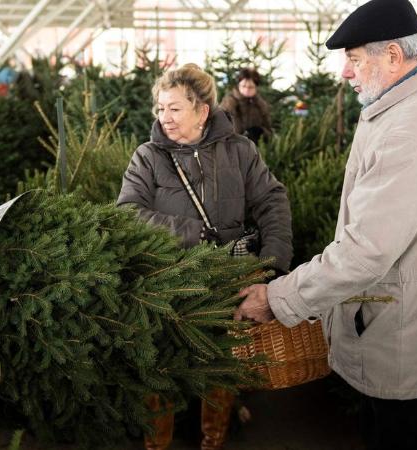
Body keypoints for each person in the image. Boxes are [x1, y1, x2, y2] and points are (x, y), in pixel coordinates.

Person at [234, 0, 417, 449]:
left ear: (394, 57)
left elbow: (365, 251)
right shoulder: (399, 107)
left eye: (355, 58)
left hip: (402, 331)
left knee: (395, 434)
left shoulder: (409, 132)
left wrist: (277, 297)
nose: (346, 72)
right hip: (395, 318)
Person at [117, 63, 292, 450]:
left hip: (224, 282)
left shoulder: (239, 152)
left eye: (175, 108)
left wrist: (274, 265)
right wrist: (191, 233)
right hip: (165, 286)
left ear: (203, 110)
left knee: (220, 364)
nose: (165, 118)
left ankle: (213, 441)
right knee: (158, 366)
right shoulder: (147, 157)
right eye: (160, 109)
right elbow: (127, 213)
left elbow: (272, 201)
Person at [219, 68, 273, 144]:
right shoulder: (229, 102)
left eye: (250, 87)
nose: (247, 90)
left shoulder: (260, 104)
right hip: (232, 148)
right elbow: (218, 128)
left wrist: (261, 133)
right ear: (238, 85)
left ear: (256, 87)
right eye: (243, 86)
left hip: (255, 149)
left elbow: (269, 130)